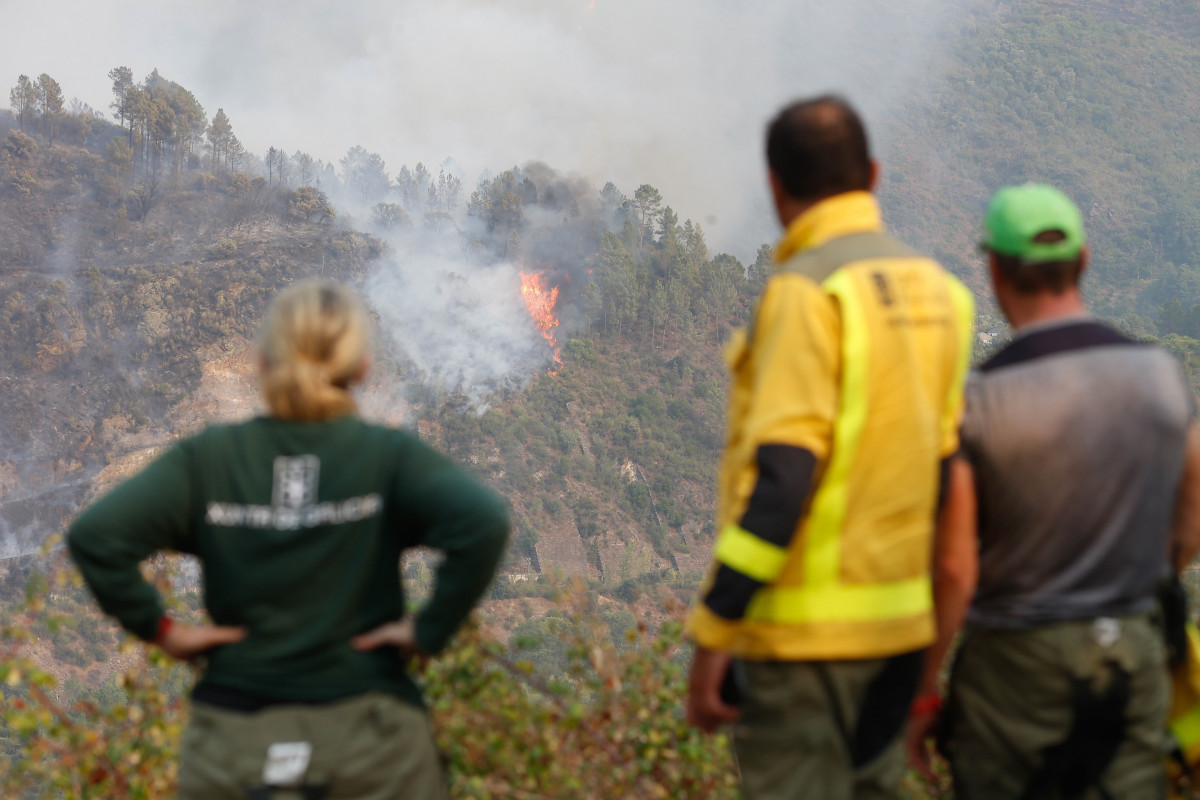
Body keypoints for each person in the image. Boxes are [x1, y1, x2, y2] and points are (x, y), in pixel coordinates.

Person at [68, 280, 510, 800]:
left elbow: (97, 536)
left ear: (260, 361)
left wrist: (164, 631)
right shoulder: (385, 456)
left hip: (236, 739)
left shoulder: (210, 460)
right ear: (363, 367)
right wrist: (426, 631)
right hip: (370, 738)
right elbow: (484, 523)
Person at [684, 94, 975, 799]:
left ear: (776, 186)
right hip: (900, 638)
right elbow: (947, 478)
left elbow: (785, 479)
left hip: (805, 644)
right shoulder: (944, 294)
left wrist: (716, 625)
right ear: (872, 174)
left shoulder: (807, 293)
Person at [905, 183, 1200, 799]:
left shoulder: (978, 402)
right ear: (1085, 260)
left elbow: (956, 567)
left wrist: (925, 687)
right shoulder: (1161, 378)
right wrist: (1143, 579)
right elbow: (1191, 515)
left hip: (1015, 670)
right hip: (1131, 654)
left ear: (993, 270)